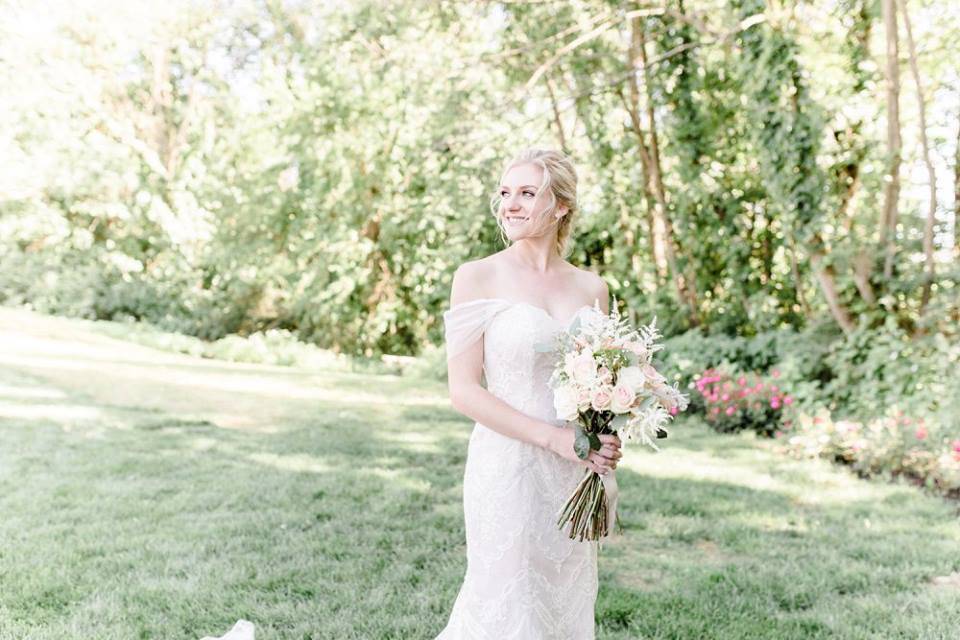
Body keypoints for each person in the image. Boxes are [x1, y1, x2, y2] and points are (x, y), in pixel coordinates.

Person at [436, 148, 622, 639]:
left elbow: (602, 386)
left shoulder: (593, 287)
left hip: (574, 472)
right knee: (507, 600)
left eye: (526, 193)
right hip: (508, 466)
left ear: (560, 205)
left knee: (565, 597)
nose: (509, 205)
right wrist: (551, 438)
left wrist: (602, 436)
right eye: (504, 193)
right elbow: (463, 391)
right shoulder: (477, 276)